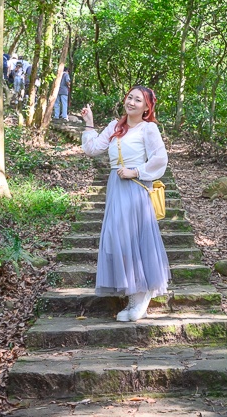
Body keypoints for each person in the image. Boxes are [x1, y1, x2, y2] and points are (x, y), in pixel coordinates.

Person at [80, 86, 170, 322]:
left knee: (133, 240)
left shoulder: (148, 129)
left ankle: (139, 299)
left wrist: (136, 171)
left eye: (138, 100)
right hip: (115, 189)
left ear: (146, 107)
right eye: (130, 97)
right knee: (116, 240)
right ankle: (134, 296)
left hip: (135, 190)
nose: (131, 102)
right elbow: (92, 149)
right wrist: (89, 122)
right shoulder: (114, 127)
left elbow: (160, 159)